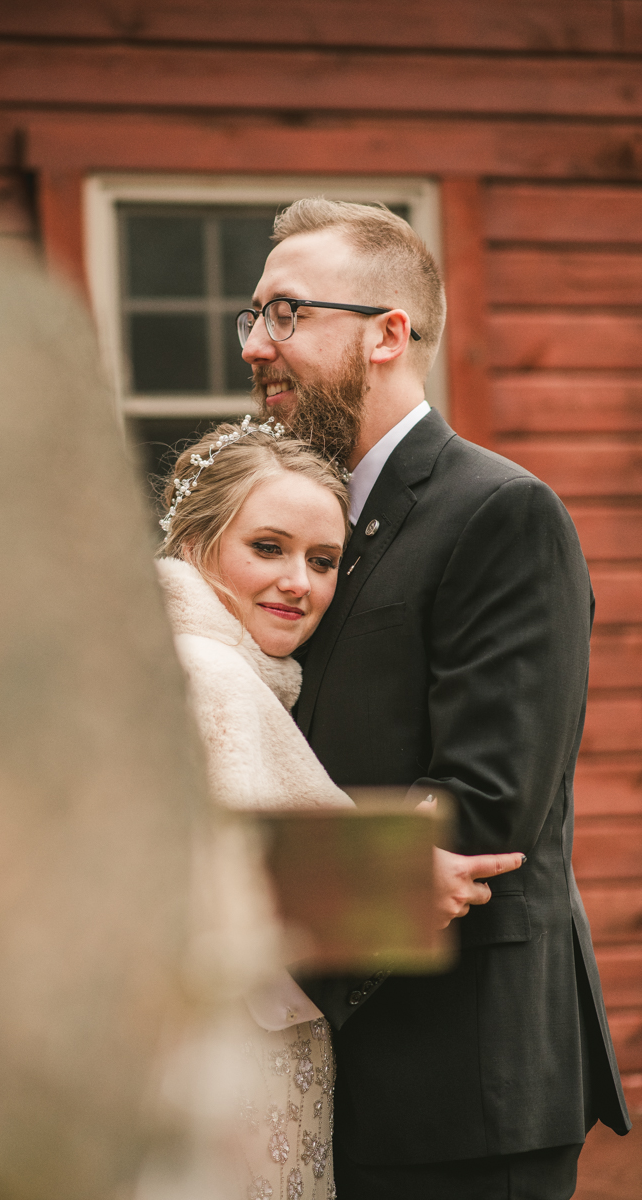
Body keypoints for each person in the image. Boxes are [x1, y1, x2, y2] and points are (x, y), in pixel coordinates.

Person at [237, 197, 632, 1200]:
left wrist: (224, 884)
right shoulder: (306, 526)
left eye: (285, 314)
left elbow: (483, 807)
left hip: (464, 1077)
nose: (253, 345)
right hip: (333, 1069)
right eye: (249, 316)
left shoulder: (498, 512)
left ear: (386, 334)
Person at [155, 415, 523, 1200]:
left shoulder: (208, 668)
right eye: (268, 548)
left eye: (324, 561)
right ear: (193, 545)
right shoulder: (207, 680)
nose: (301, 582)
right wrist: (392, 880)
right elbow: (196, 892)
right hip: (217, 1084)